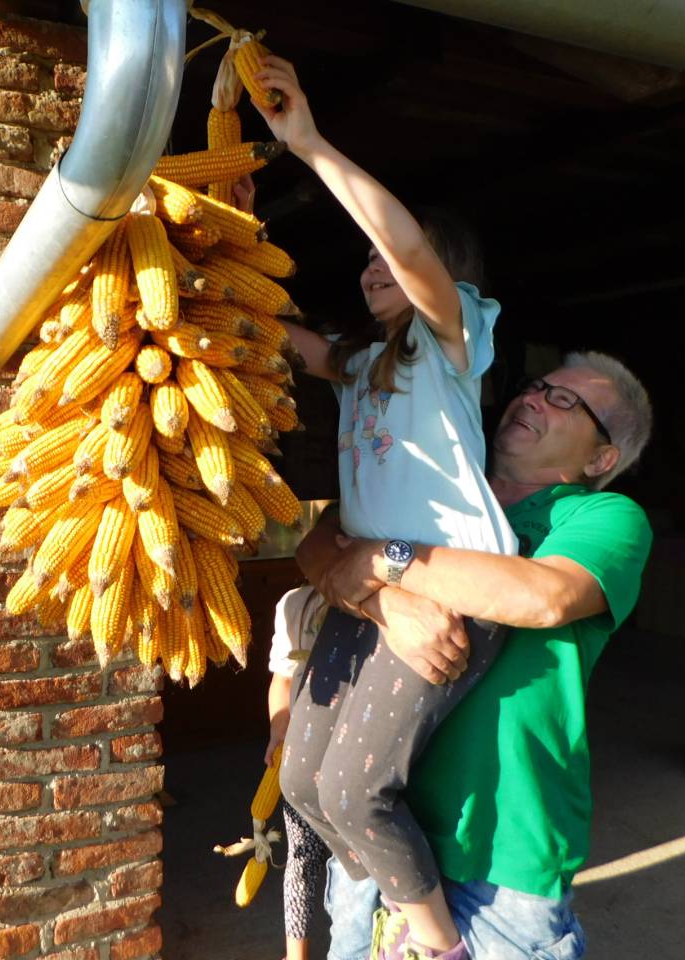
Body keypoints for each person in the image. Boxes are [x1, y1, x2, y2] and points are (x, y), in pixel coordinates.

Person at [249, 54, 517, 958]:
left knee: (357, 791)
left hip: (449, 586)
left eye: (386, 255)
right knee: (303, 783)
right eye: (363, 258)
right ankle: (394, 910)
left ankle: (441, 948)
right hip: (368, 591)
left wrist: (310, 145)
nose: (373, 264)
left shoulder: (455, 336)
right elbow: (279, 337)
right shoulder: (361, 361)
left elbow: (405, 248)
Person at [294, 353, 653, 959]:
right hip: (370, 835)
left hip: (495, 857)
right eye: (535, 386)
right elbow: (321, 545)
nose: (533, 398)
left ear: (600, 459)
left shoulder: (603, 516)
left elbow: (541, 595)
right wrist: (386, 605)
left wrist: (384, 560)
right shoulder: (442, 489)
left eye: (565, 400)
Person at [266, 585, 332, 960]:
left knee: (356, 862)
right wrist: (279, 731)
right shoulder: (294, 604)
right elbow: (283, 679)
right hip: (303, 752)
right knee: (302, 856)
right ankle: (297, 954)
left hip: (354, 752)